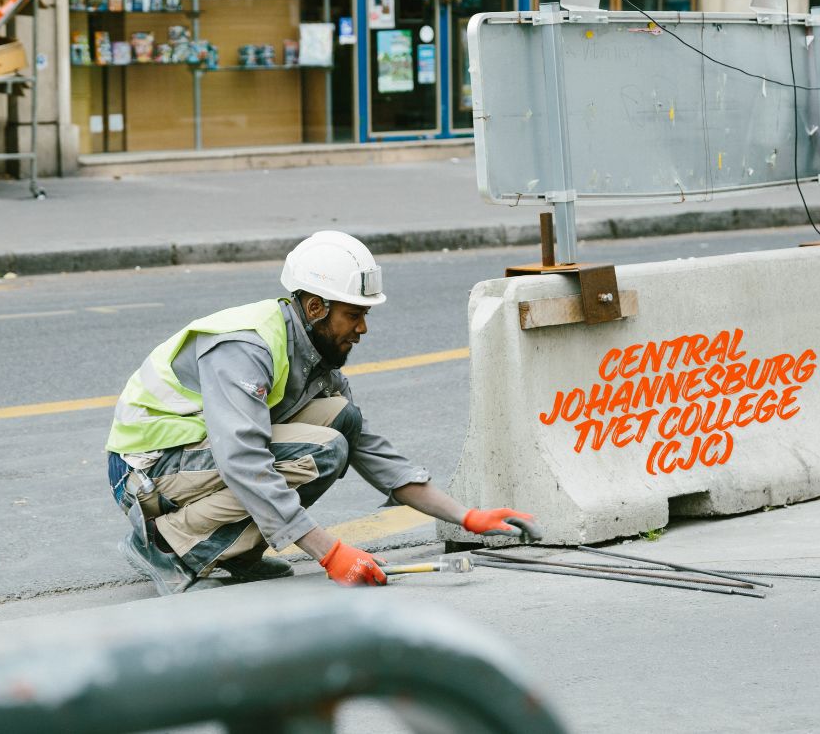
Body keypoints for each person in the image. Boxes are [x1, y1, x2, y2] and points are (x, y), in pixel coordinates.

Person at [105, 231, 537, 594]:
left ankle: (235, 554)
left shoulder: (314, 355)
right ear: (315, 308)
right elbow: (243, 459)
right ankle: (166, 548)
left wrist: (466, 516)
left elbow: (370, 449)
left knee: (342, 420)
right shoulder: (246, 347)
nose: (363, 329)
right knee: (324, 450)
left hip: (192, 461)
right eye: (354, 315)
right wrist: (329, 552)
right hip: (147, 472)